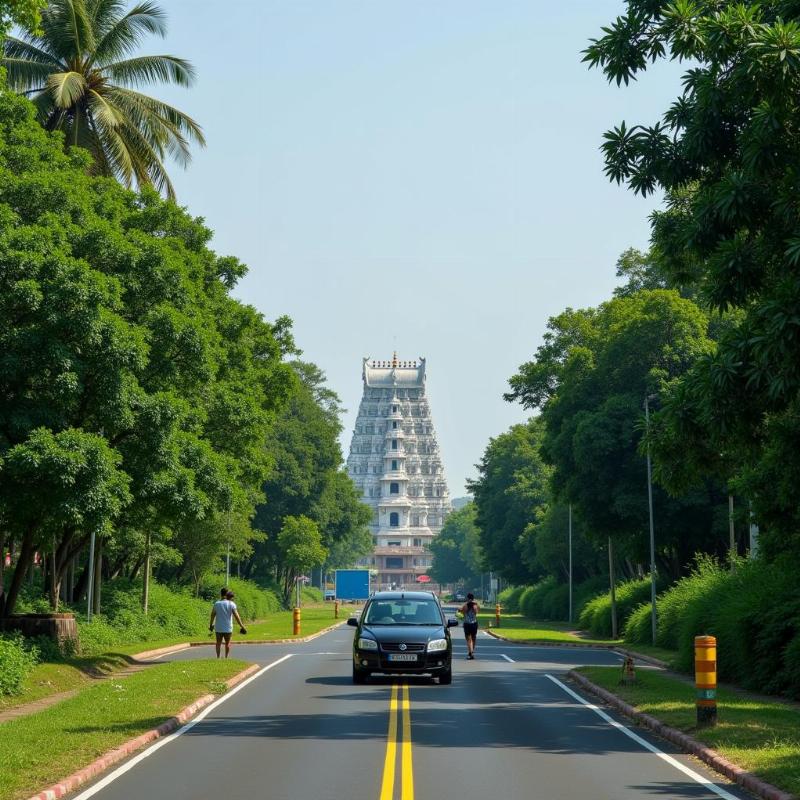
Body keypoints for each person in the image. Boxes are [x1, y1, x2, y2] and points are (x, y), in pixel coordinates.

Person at [209, 588, 247, 659]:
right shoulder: (231, 604)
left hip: (218, 627)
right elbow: (237, 616)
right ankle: (226, 657)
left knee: (218, 643)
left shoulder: (217, 604)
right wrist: (242, 626)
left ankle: (218, 657)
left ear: (221, 594)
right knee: (227, 643)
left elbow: (212, 615)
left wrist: (211, 625)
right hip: (228, 627)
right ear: (227, 594)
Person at [459, 593, 480, 659]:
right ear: (473, 598)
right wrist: (475, 603)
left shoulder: (465, 606)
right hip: (474, 623)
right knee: (473, 638)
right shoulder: (475, 606)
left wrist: (461, 608)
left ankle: (470, 652)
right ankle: (472, 652)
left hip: (467, 624)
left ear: (468, 598)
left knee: (468, 639)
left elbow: (461, 611)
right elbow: (478, 611)